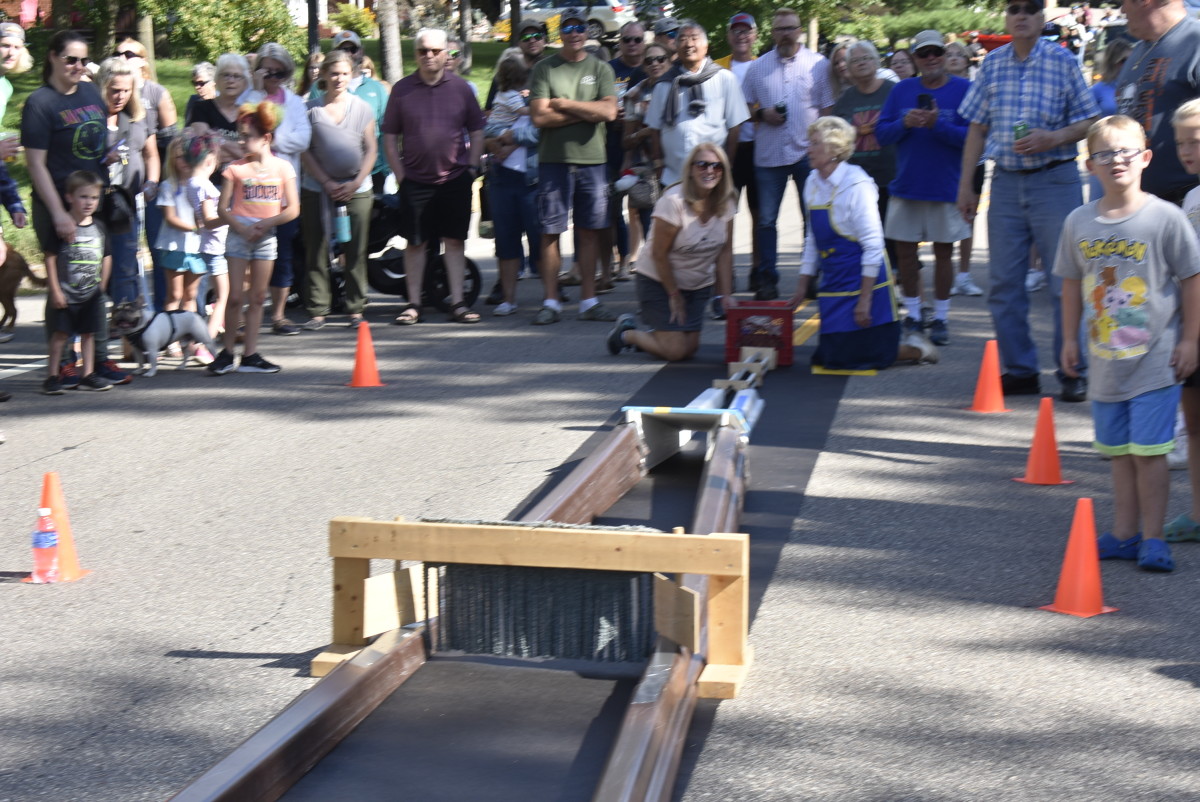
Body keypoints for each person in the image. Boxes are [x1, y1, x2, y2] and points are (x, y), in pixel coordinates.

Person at [1056, 114, 1200, 572]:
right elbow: (1071, 283)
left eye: (1125, 152)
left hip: (1156, 360)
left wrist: (1192, 339)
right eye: (1104, 154)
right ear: (1088, 164)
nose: (1115, 160)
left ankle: (1153, 538)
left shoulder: (1166, 217)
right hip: (1105, 363)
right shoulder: (1079, 222)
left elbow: (1193, 279)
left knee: (1150, 452)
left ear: (1145, 158)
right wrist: (1068, 339)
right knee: (1117, 453)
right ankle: (1124, 532)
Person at [957, 0, 1099, 402]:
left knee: (1064, 281)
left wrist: (1052, 137)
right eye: (1014, 8)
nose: (1021, 14)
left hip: (1055, 180)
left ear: (1041, 18)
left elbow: (1091, 122)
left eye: (1031, 8)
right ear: (1006, 17)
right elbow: (976, 128)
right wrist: (965, 186)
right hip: (1004, 183)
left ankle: (1074, 370)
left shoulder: (1063, 61)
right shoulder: (992, 63)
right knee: (1003, 284)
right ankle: (1019, 370)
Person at [23, 30, 130, 387]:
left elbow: (95, 138)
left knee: (93, 283)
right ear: (52, 57)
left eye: (84, 60)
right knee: (65, 285)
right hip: (57, 202)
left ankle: (97, 360)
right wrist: (57, 213)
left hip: (92, 201)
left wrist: (107, 154)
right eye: (71, 59)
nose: (79, 66)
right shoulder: (40, 102)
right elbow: (35, 164)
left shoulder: (88, 92)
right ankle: (64, 362)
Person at [787, 117, 936, 370]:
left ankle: (917, 349)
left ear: (834, 150)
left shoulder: (857, 185)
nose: (808, 149)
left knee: (867, 357)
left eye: (814, 143)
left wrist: (865, 300)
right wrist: (802, 288)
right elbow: (813, 238)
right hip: (835, 282)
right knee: (831, 359)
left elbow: (873, 245)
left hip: (865, 282)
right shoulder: (812, 182)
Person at [383, 28, 484, 325]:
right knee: (415, 243)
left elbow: (477, 130)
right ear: (415, 54)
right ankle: (413, 304)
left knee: (454, 241)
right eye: (423, 51)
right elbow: (389, 137)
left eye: (435, 51)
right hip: (415, 180)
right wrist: (401, 176)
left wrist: (473, 167)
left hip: (455, 179)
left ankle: (458, 302)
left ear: (445, 54)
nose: (429, 56)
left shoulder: (461, 88)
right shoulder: (402, 89)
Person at [875, 30, 970, 347]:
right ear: (915, 59)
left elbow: (972, 139)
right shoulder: (901, 90)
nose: (930, 59)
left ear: (945, 56)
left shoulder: (964, 89)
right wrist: (905, 123)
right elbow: (881, 134)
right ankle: (914, 314)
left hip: (945, 187)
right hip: (906, 185)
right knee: (905, 255)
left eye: (936, 53)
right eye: (923, 54)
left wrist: (936, 125)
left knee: (945, 253)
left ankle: (941, 317)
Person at [528, 7, 619, 325]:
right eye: (568, 28)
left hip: (592, 161)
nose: (575, 32)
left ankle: (589, 301)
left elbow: (609, 112)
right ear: (560, 33)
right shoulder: (545, 68)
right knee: (551, 231)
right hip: (554, 161)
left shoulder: (601, 68)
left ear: (587, 31)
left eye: (579, 27)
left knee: (590, 231)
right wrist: (588, 111)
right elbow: (539, 117)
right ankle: (551, 302)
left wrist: (565, 104)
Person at [606, 143, 735, 361]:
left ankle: (657, 337)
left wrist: (725, 295)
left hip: (697, 285)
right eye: (702, 165)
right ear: (691, 169)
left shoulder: (727, 200)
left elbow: (725, 251)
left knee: (689, 348)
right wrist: (674, 295)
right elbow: (659, 254)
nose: (710, 171)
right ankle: (628, 334)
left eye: (717, 166)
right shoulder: (674, 201)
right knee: (675, 352)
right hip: (659, 280)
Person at [741, 7, 835, 300]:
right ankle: (767, 279)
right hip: (769, 156)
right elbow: (743, 107)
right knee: (767, 221)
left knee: (813, 219)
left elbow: (828, 110)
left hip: (809, 155)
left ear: (800, 31)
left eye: (791, 28)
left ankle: (812, 279)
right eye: (780, 29)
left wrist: (826, 149)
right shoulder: (758, 68)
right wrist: (761, 113)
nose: (786, 34)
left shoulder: (818, 64)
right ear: (772, 34)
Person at [210, 101, 300, 374]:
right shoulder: (234, 169)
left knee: (259, 297)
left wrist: (266, 224)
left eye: (247, 136)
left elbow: (293, 208)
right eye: (240, 134)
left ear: (266, 139)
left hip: (265, 237)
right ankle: (226, 354)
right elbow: (221, 208)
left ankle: (250, 354)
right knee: (235, 296)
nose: (241, 140)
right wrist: (241, 227)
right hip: (239, 237)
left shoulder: (283, 168)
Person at [299, 50, 377, 329]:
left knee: (355, 249)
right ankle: (318, 309)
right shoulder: (310, 109)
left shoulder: (362, 108)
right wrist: (326, 182)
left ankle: (355, 308)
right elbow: (304, 152)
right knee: (317, 248)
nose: (339, 78)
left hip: (356, 188)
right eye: (334, 73)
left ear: (352, 74)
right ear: (323, 75)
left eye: (344, 73)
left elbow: (371, 149)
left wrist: (355, 183)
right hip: (317, 188)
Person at [243, 43, 311, 337]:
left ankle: (279, 315)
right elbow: (244, 127)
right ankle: (247, 312)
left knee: (282, 252)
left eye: (278, 72)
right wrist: (257, 93)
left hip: (283, 191)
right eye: (266, 71)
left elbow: (303, 140)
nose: (272, 77)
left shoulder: (294, 103)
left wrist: (272, 137)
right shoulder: (250, 98)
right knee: (247, 253)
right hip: (250, 189)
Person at [645, 20, 747, 188]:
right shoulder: (664, 84)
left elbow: (734, 127)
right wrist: (658, 165)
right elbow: (655, 128)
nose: (689, 44)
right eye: (683, 39)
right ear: (676, 47)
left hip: (713, 175)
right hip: (673, 176)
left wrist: (727, 165)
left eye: (694, 38)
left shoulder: (725, 79)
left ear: (706, 46)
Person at [1116, 0, 1200, 204]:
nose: (1122, 9)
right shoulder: (1138, 50)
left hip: (1188, 200)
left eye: (1124, 2)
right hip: (1143, 202)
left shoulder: (1195, 41)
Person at [97, 56, 160, 308]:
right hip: (93, 204)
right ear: (102, 87)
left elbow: (151, 154)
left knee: (126, 264)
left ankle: (123, 326)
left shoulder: (137, 117)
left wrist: (152, 182)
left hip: (125, 204)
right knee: (95, 267)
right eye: (114, 90)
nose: (120, 96)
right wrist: (103, 159)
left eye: (126, 90)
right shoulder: (91, 117)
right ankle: (92, 324)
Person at [42, 171, 113, 394]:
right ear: (69, 197)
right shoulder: (63, 226)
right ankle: (53, 376)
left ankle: (88, 374)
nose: (89, 202)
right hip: (66, 293)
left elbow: (107, 256)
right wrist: (55, 289)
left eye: (93, 197)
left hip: (91, 294)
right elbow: (50, 257)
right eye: (83, 197)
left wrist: (102, 287)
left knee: (89, 334)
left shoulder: (100, 227)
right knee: (60, 335)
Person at [1165, 101, 1200, 538]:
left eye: (1195, 140)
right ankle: (1197, 513)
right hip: (1196, 327)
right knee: (1194, 423)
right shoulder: (1191, 198)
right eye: (1180, 142)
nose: (1187, 150)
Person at [832, 40, 897, 277]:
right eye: (855, 61)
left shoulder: (892, 90)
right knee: (865, 235)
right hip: (858, 182)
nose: (861, 64)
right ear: (848, 67)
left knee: (893, 236)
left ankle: (896, 282)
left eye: (866, 58)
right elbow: (836, 137)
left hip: (890, 175)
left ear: (877, 61)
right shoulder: (846, 99)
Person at [485, 54, 542, 317]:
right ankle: (508, 298)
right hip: (502, 177)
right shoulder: (512, 99)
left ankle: (550, 294)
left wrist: (511, 138)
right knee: (506, 240)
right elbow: (487, 134)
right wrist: (502, 143)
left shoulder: (526, 97)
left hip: (531, 177)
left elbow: (540, 131)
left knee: (541, 238)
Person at [715, 12, 761, 301]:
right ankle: (725, 272)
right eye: (736, 31)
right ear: (729, 36)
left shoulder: (764, 66)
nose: (741, 36)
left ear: (754, 35)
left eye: (746, 31)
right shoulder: (717, 68)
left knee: (761, 215)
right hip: (723, 151)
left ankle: (758, 270)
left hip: (758, 151)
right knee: (724, 215)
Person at [330, 31, 391, 193]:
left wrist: (387, 168)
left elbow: (386, 129)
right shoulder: (322, 88)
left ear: (361, 51)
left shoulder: (377, 88)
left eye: (352, 49)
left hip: (374, 170)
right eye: (343, 50)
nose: (348, 54)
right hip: (333, 174)